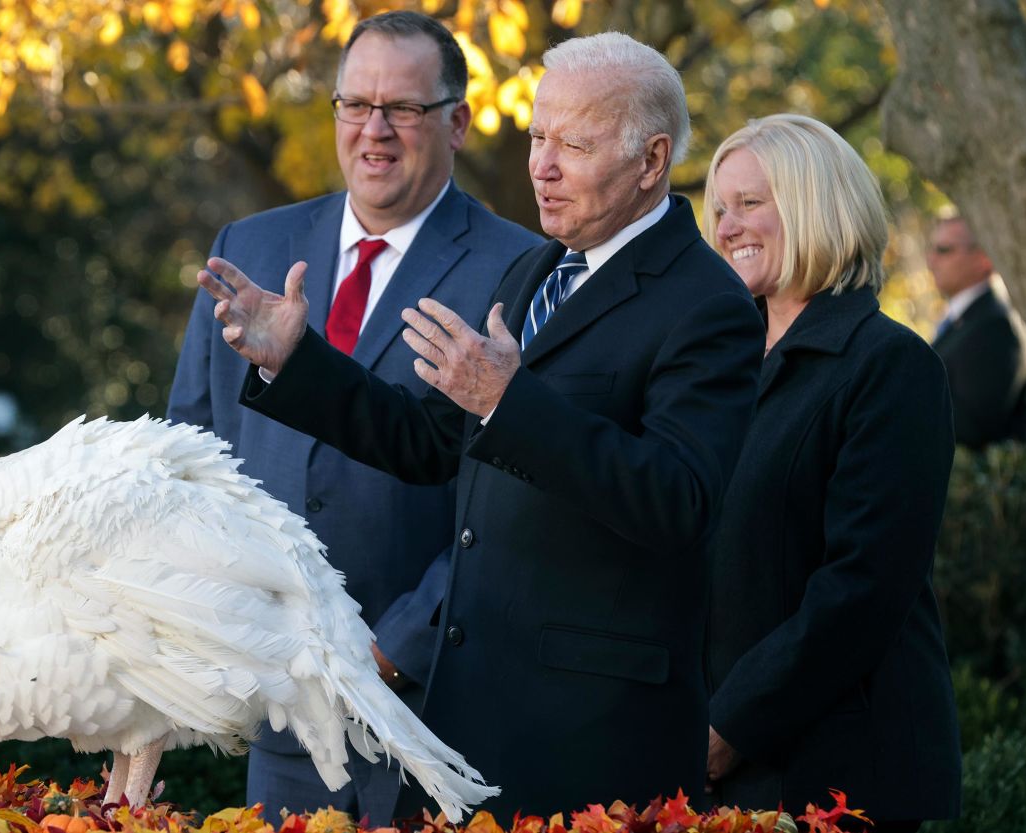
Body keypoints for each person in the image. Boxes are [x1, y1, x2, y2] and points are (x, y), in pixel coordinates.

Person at [195, 32, 764, 817]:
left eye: (576, 143)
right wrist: (296, 362)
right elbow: (428, 441)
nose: (543, 165)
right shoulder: (538, 270)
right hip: (471, 720)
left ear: (651, 160)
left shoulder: (708, 304)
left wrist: (509, 401)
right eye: (537, 137)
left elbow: (679, 498)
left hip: (591, 741)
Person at [167, 10, 539, 824]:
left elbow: (514, 499)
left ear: (459, 123)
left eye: (403, 108)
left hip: (437, 709)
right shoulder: (250, 247)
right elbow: (190, 458)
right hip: (285, 713)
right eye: (355, 105)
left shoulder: (517, 267)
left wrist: (396, 647)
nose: (375, 130)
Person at [701, 114, 961, 830]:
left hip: (840, 774)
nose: (727, 226)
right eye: (720, 208)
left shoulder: (890, 365)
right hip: (712, 767)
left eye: (750, 203)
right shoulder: (717, 363)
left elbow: (862, 587)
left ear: (816, 203)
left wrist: (728, 725)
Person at [926, 216, 1026, 450]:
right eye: (932, 249)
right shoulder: (967, 318)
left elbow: (975, 427)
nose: (931, 260)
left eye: (944, 249)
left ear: (984, 258)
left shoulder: (995, 325)